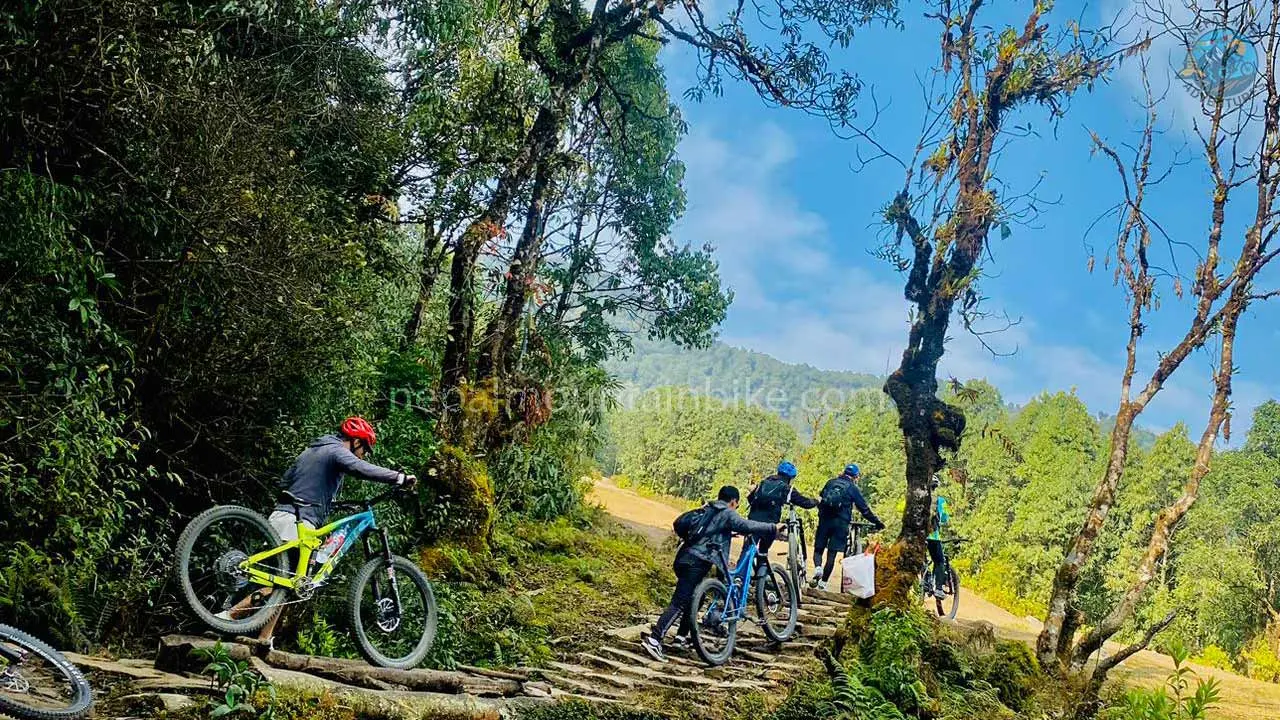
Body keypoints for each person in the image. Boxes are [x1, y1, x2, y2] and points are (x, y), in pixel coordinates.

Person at [220, 416, 416, 646]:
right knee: (279, 583)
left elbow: (286, 481)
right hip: (297, 520)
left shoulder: (311, 450)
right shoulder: (336, 451)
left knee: (292, 584)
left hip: (283, 516)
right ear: (355, 442)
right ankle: (227, 617)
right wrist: (399, 478)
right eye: (365, 448)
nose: (364, 454)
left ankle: (264, 639)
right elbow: (361, 468)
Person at [641, 485, 783, 662]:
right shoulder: (727, 513)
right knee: (680, 602)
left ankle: (681, 637)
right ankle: (654, 640)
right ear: (733, 502)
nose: (735, 508)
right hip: (697, 562)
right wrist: (772, 528)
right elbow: (746, 525)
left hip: (684, 556)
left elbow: (689, 526)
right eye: (736, 505)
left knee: (696, 598)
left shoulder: (708, 509)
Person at [810, 463, 883, 591]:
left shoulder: (831, 482)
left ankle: (817, 568)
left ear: (843, 472)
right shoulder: (852, 488)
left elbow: (822, 498)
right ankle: (823, 583)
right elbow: (864, 509)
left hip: (825, 520)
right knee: (831, 554)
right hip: (841, 524)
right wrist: (877, 522)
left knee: (818, 549)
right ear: (855, 476)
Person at [743, 461, 817, 573]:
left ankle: (739, 577)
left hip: (752, 521)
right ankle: (761, 577)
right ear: (790, 477)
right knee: (763, 550)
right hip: (770, 524)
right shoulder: (786, 488)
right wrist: (816, 501)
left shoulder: (763, 483)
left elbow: (751, 499)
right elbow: (805, 503)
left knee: (747, 550)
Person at [926, 475, 951, 599]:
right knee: (940, 561)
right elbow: (946, 518)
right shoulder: (940, 501)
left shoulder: (917, 498)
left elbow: (900, 507)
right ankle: (939, 589)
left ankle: (925, 580)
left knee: (921, 559)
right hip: (933, 536)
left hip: (918, 535)